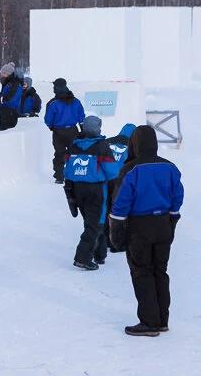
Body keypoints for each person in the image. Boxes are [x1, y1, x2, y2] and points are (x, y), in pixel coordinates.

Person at [109, 125, 183, 337]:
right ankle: (162, 320)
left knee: (142, 272)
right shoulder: (170, 167)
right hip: (163, 224)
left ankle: (150, 322)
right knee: (160, 271)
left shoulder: (131, 169)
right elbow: (178, 195)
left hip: (139, 227)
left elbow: (121, 203)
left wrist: (116, 230)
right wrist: (172, 218)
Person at [63, 116, 115, 270]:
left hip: (77, 189)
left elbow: (67, 167)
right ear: (98, 128)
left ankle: (100, 254)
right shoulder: (102, 146)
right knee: (96, 224)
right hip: (96, 190)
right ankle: (82, 257)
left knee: (91, 222)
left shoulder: (74, 145)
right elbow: (112, 171)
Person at [101, 123, 137, 256]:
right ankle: (116, 243)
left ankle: (104, 240)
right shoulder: (134, 146)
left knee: (105, 209)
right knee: (118, 212)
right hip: (122, 182)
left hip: (105, 180)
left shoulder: (108, 141)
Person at [43, 78, 85, 184]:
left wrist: (51, 127)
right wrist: (82, 129)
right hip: (73, 131)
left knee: (59, 154)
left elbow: (48, 119)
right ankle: (74, 174)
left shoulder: (53, 103)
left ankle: (59, 176)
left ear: (56, 87)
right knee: (74, 153)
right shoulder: (75, 101)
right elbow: (81, 116)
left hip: (58, 132)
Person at [0, 63, 23, 131]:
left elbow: (9, 99)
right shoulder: (8, 83)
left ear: (7, 74)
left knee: (7, 134)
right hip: (6, 112)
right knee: (4, 133)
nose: (1, 75)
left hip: (9, 113)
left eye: (2, 73)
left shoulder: (14, 84)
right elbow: (5, 95)